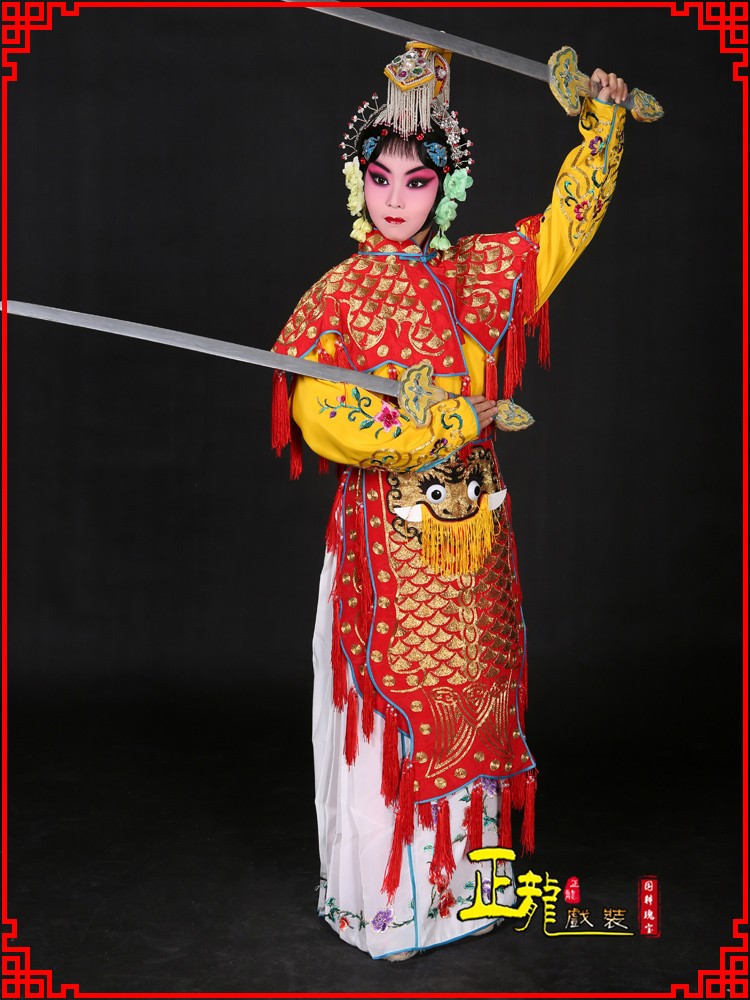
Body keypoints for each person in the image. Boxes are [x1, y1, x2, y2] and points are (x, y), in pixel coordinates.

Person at [270, 42, 628, 960]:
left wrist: (601, 130)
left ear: (447, 187)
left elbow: (560, 232)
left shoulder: (480, 272)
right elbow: (320, 414)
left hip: (474, 546)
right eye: (380, 178)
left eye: (418, 181)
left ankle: (469, 895)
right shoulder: (338, 296)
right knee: (387, 718)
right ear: (358, 182)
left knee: (479, 698)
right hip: (384, 548)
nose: (396, 199)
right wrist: (436, 423)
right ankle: (387, 907)